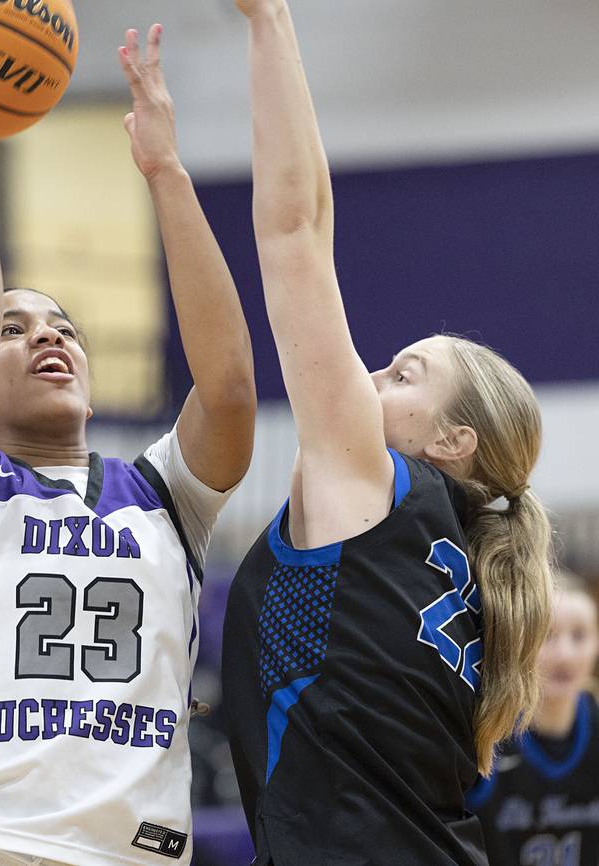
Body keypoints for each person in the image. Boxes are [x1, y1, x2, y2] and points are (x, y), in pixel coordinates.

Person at [0, 24, 256, 866]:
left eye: (64, 328)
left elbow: (227, 389)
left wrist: (167, 173)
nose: (48, 336)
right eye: (17, 328)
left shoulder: (166, 496)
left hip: (128, 852)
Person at [221, 1, 553, 864]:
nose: (369, 377)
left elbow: (294, 235)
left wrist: (266, 21)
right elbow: (314, 225)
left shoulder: (380, 492)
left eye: (403, 376)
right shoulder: (456, 553)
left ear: (451, 442)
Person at [468, 571, 599, 865]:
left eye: (579, 635)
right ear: (520, 643)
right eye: (547, 636)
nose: (565, 655)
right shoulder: (488, 729)